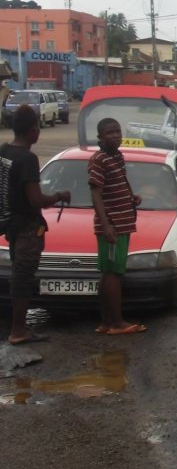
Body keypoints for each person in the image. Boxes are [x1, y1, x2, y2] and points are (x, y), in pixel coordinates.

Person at [1, 104, 71, 345]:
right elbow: (36, 199)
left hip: (11, 226)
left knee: (18, 275)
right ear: (33, 130)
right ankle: (19, 330)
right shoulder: (28, 158)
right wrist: (59, 195)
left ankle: (17, 327)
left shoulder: (4, 152)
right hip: (28, 228)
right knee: (23, 278)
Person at [88, 117, 144, 336]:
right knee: (113, 274)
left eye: (118, 132)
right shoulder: (99, 159)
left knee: (109, 273)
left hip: (123, 222)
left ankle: (106, 322)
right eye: (110, 133)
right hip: (112, 226)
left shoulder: (117, 157)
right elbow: (96, 193)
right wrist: (106, 225)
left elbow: (117, 185)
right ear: (100, 137)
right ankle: (116, 323)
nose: (116, 136)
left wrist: (131, 198)